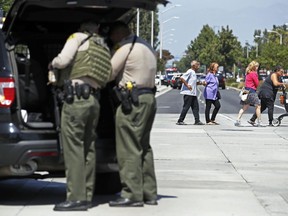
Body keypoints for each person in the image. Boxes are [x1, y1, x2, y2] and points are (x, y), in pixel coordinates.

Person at [50, 21, 112, 211]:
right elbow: (108, 75)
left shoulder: (77, 38)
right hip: (93, 100)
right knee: (88, 148)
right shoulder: (102, 46)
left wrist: (51, 63)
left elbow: (63, 60)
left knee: (74, 149)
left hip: (76, 99)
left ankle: (75, 198)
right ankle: (86, 194)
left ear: (82, 28)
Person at [108, 21, 158, 207]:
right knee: (144, 147)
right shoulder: (147, 46)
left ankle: (131, 194)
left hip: (132, 102)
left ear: (118, 34)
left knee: (128, 147)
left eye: (112, 37)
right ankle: (149, 193)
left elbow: (109, 72)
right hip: (148, 99)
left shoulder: (126, 47)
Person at [235, 60, 263, 127]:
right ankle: (259, 121)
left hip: (246, 91)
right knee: (258, 106)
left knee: (244, 106)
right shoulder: (254, 73)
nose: (257, 68)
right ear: (254, 67)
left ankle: (237, 120)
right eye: (257, 66)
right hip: (252, 91)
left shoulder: (248, 73)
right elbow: (257, 83)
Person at [176, 60, 205, 125]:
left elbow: (194, 82)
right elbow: (182, 78)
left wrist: (201, 83)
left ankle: (197, 120)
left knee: (195, 107)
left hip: (193, 93)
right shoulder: (190, 71)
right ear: (194, 66)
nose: (198, 66)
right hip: (188, 93)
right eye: (197, 65)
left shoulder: (194, 73)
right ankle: (180, 120)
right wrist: (187, 85)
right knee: (186, 107)